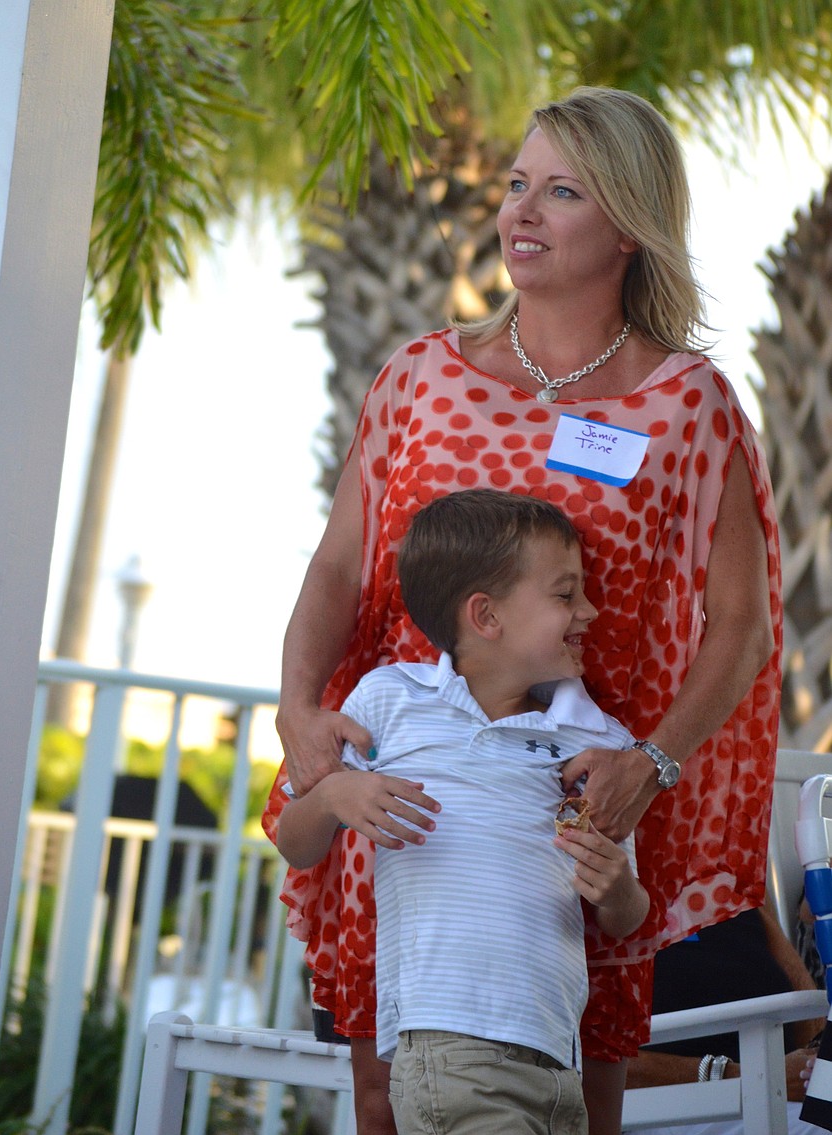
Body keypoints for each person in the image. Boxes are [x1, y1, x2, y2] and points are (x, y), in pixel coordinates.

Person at [263, 85, 782, 1135]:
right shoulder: (420, 375)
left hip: (572, 809)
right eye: (515, 185)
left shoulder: (688, 403)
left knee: (582, 1091)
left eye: (560, 192)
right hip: (402, 785)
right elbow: (335, 571)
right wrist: (295, 712)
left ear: (629, 225)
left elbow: (741, 628)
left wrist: (656, 762)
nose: (520, 213)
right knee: (380, 1094)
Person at [277, 490, 650, 1135]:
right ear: (486, 615)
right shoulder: (391, 700)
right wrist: (335, 797)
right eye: (566, 595)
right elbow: (294, 841)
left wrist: (617, 887)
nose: (590, 611)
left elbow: (626, 916)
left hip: (557, 1060)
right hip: (449, 1043)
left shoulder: (600, 744)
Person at [626, 900, 824, 1135]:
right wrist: (749, 1077)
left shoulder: (726, 875)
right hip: (670, 1107)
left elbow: (801, 999)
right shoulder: (595, 890)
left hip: (777, 1091)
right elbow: (588, 1060)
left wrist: (814, 1065)